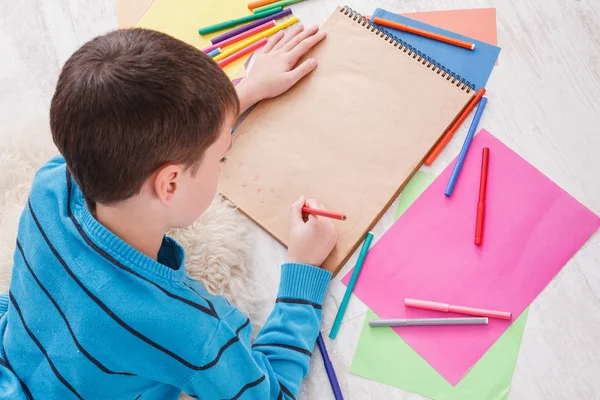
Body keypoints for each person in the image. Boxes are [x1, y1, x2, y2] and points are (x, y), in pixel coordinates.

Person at [0, 24, 337, 399]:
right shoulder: (191, 329)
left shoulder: (48, 186)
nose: (224, 161)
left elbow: (122, 135)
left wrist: (243, 92)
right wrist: (302, 276)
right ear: (170, 184)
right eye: (222, 157)